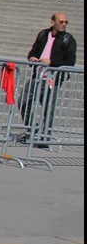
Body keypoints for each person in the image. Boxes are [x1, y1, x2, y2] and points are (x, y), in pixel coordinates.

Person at [20, 11, 75, 148]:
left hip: (52, 79)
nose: (63, 24)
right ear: (53, 22)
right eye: (60, 21)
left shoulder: (68, 39)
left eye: (65, 22)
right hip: (37, 76)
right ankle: (32, 128)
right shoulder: (43, 34)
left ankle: (45, 137)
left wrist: (51, 62)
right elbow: (33, 50)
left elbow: (70, 62)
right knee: (23, 101)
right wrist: (32, 57)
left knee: (48, 108)